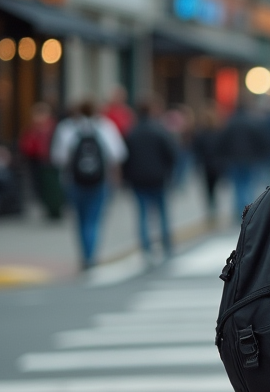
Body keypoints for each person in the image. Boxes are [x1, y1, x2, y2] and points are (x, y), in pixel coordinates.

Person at [52, 100, 126, 270]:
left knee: (80, 220)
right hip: (99, 181)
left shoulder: (67, 128)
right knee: (94, 220)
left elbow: (59, 158)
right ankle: (91, 256)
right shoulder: (105, 126)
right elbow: (117, 154)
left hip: (73, 181)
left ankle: (85, 256)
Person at [122, 99, 179, 261]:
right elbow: (171, 154)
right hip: (158, 178)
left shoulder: (132, 132)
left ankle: (146, 247)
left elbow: (125, 158)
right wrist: (168, 172)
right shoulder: (159, 131)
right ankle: (166, 243)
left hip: (138, 179)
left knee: (142, 214)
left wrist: (127, 177)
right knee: (162, 212)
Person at [18, 101, 64, 220]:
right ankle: (47, 207)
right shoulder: (32, 129)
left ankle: (54, 209)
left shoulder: (54, 128)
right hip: (36, 161)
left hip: (51, 162)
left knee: (52, 187)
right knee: (39, 187)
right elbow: (26, 145)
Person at [191, 107, 225, 221]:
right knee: (214, 188)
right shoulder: (219, 133)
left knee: (208, 189)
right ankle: (214, 208)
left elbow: (196, 151)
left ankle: (211, 209)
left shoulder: (201, 134)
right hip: (217, 164)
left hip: (206, 165)